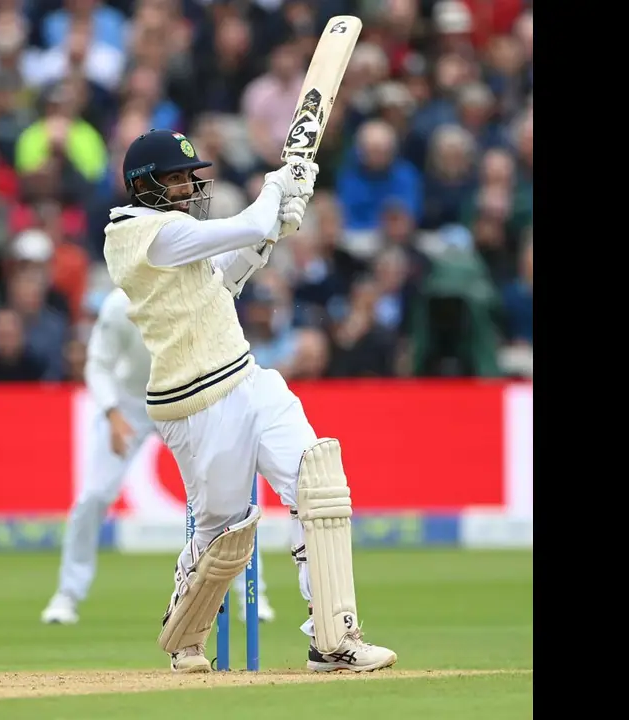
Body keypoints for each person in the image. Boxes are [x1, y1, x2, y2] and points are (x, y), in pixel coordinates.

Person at [102, 129, 398, 674]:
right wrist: (277, 190)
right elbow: (249, 223)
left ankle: (334, 640)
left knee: (319, 482)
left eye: (192, 178)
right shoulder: (139, 236)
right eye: (177, 179)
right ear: (142, 187)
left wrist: (273, 230)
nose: (191, 188)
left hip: (248, 378)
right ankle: (184, 630)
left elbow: (223, 279)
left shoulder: (177, 233)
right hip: (195, 401)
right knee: (225, 536)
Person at [41, 287, 277, 625]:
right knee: (92, 496)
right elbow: (99, 364)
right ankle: (67, 595)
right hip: (129, 404)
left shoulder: (193, 293)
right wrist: (110, 412)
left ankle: (252, 595)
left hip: (184, 400)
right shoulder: (119, 304)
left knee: (228, 494)